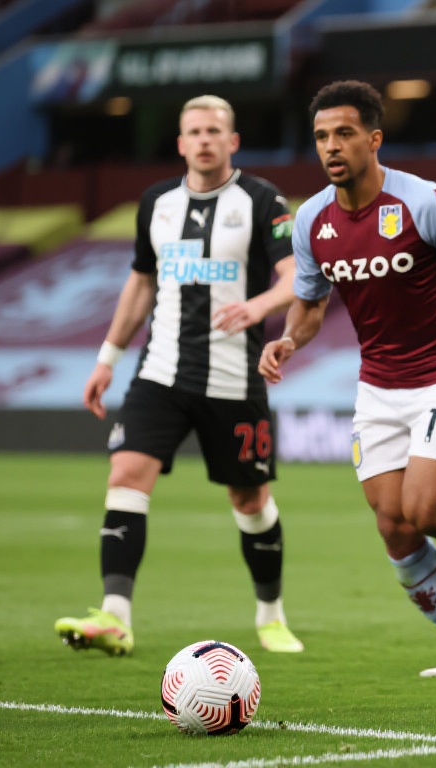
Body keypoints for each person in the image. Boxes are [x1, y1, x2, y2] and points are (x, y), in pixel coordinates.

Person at [257, 80, 436, 678]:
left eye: (345, 133)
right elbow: (309, 304)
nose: (332, 147)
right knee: (393, 525)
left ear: (374, 138)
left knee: (427, 509)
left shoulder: (425, 203)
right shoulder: (312, 220)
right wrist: (288, 340)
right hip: (377, 388)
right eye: (321, 137)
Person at [55, 95, 304, 656]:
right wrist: (107, 357)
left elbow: (294, 276)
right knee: (126, 473)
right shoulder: (157, 203)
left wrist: (258, 306)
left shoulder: (263, 200)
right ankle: (115, 616)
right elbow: (141, 283)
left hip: (233, 377)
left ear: (232, 141)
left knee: (250, 499)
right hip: (160, 373)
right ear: (181, 143)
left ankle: (271, 615)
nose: (204, 140)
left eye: (215, 130)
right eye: (195, 131)